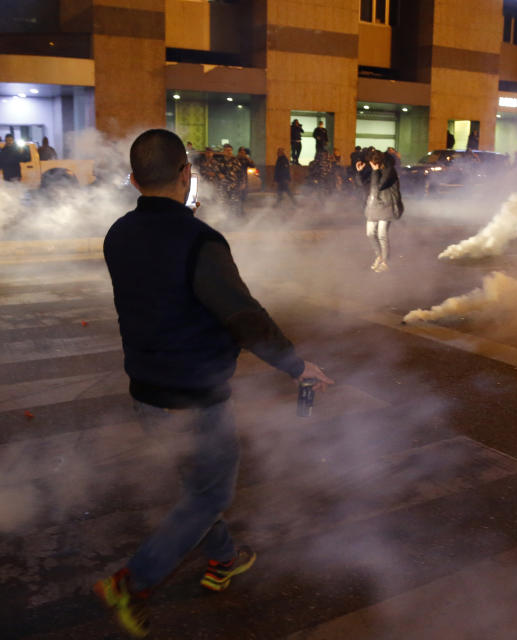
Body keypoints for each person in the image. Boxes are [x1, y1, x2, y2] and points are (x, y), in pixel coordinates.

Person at [96, 129, 333, 638]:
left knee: (195, 487)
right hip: (195, 400)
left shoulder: (118, 234)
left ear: (135, 180)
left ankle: (224, 557)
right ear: (186, 174)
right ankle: (131, 582)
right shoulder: (199, 242)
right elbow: (244, 316)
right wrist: (297, 366)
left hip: (146, 394)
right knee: (208, 495)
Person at [356, 149, 403, 273]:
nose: (370, 164)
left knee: (382, 234)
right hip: (374, 206)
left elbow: (377, 186)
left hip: (387, 205)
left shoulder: (389, 170)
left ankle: (386, 262)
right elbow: (364, 186)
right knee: (370, 233)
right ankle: (379, 256)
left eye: (371, 162)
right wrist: (360, 173)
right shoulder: (373, 169)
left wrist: (376, 171)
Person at [216, 143, 244, 217]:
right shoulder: (220, 161)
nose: (229, 152)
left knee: (234, 203)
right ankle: (223, 218)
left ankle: (234, 219)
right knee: (223, 203)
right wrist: (218, 174)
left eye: (230, 150)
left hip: (234, 186)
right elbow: (216, 172)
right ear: (224, 151)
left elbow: (241, 173)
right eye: (227, 150)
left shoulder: (236, 161)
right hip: (223, 186)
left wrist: (242, 183)